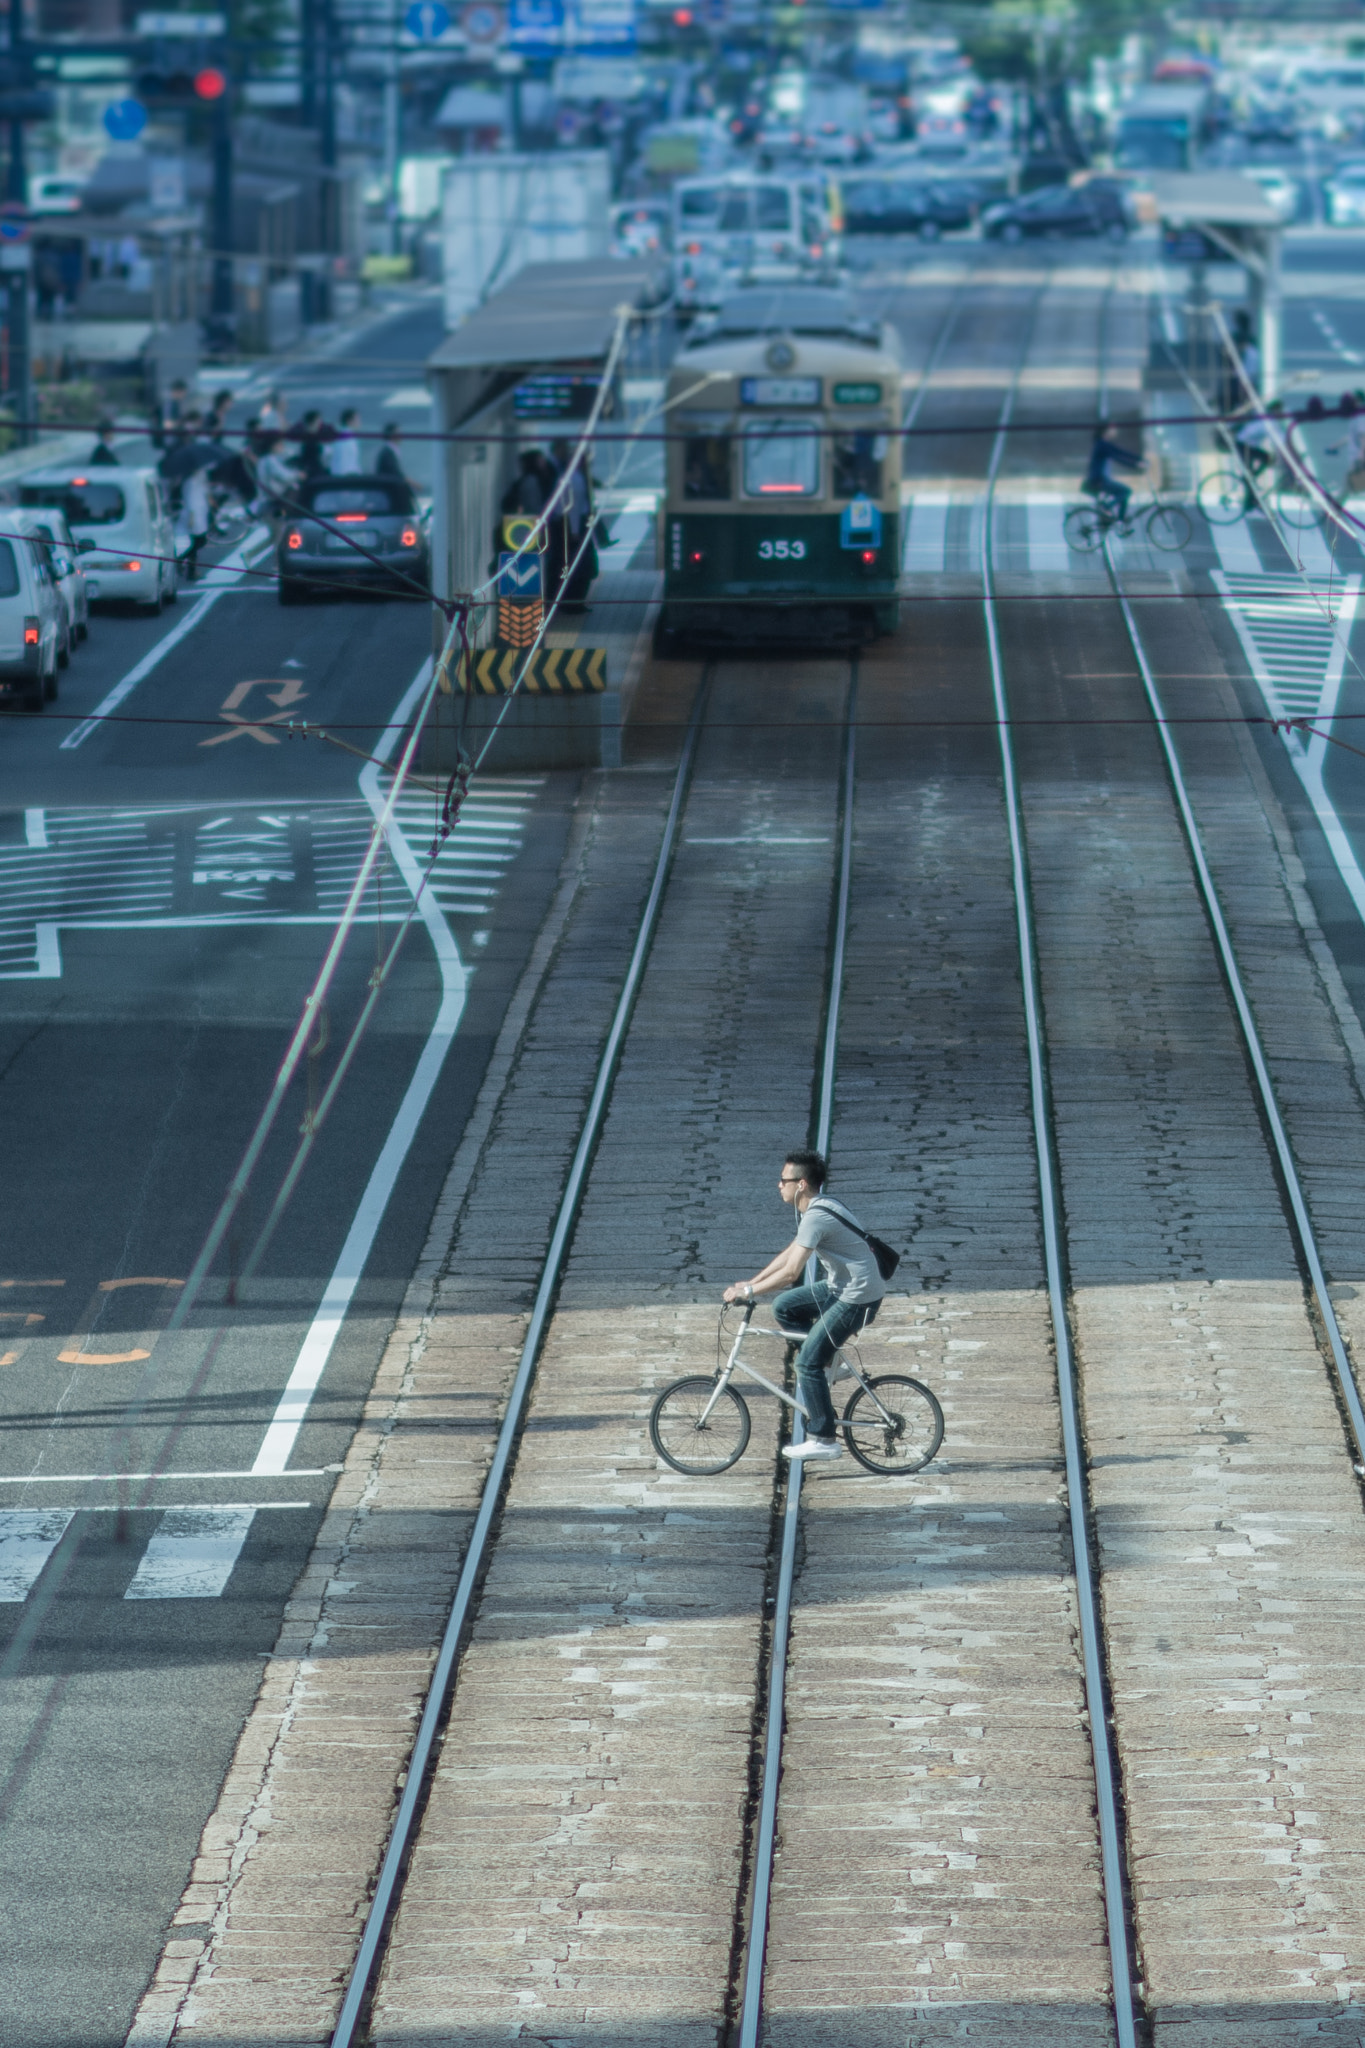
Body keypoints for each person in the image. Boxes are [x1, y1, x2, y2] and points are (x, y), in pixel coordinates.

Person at [722, 1150, 886, 1464]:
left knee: (806, 1364)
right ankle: (827, 1364)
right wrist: (750, 1283)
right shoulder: (811, 1210)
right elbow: (790, 1253)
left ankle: (823, 1437)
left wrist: (751, 1291)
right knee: (785, 1307)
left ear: (801, 1184)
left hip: (857, 1296)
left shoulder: (817, 1215)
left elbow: (791, 1272)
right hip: (843, 1287)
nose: (778, 1185)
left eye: (784, 1180)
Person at [1083, 421, 1145, 522]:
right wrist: (1135, 465)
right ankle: (1107, 508)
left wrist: (1139, 459)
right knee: (1126, 491)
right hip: (1098, 481)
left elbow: (1120, 452)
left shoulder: (1103, 443)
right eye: (1113, 429)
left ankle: (1120, 519)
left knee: (1123, 492)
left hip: (1100, 479)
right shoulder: (1102, 444)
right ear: (1106, 431)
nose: (1115, 431)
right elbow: (1118, 457)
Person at [327, 407, 363, 476]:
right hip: (347, 478)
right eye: (357, 420)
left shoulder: (348, 438)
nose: (359, 423)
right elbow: (344, 464)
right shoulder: (346, 440)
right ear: (349, 421)